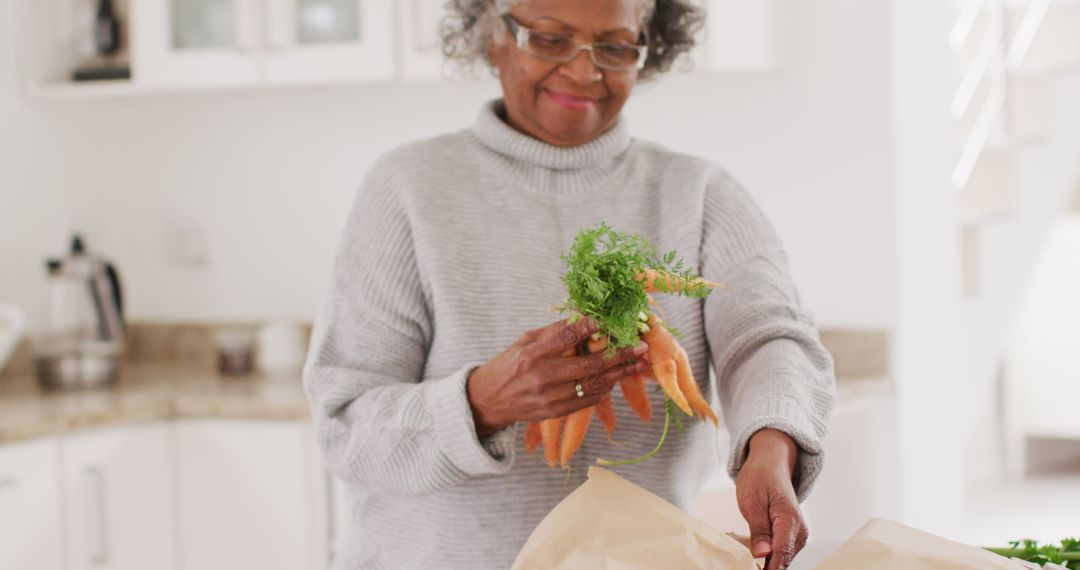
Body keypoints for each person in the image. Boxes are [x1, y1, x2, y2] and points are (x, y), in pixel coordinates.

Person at [302, 0, 836, 568]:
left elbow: (769, 337)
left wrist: (771, 444)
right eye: (550, 39)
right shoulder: (407, 188)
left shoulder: (699, 194)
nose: (585, 72)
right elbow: (345, 425)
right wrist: (481, 403)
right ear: (490, 36)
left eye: (614, 46)